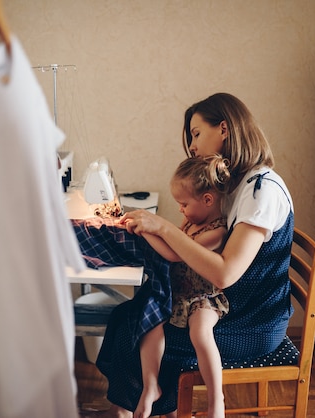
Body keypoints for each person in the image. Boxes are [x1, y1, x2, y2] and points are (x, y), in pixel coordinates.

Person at [97, 92, 295, 418]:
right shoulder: (234, 187)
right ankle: (137, 408)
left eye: (196, 133)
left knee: (136, 327)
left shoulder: (262, 190)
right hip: (233, 307)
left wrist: (162, 227)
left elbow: (225, 273)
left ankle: (143, 408)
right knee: (127, 315)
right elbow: (188, 247)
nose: (191, 145)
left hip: (251, 322)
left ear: (225, 129)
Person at [134, 155, 230, 418]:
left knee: (200, 333)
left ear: (208, 200)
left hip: (203, 297)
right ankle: (150, 386)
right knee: (149, 324)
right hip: (178, 295)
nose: (180, 210)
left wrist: (150, 230)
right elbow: (169, 247)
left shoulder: (217, 232)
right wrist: (146, 231)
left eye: (184, 204)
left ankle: (215, 400)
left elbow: (176, 254)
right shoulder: (189, 223)